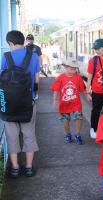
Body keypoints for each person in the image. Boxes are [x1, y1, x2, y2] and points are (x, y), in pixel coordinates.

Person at [1, 30, 40, 177]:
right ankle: (29, 167)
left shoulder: (6, 57)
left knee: (12, 136)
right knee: (29, 134)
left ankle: (15, 168)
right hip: (28, 103)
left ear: (10, 43)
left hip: (9, 104)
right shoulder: (34, 56)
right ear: (23, 41)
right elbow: (37, 79)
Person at [51, 60, 90, 145]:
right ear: (66, 68)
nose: (73, 71)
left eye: (75, 69)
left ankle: (78, 134)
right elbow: (56, 89)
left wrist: (87, 95)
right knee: (66, 120)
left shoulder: (78, 77)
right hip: (64, 103)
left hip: (76, 102)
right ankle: (68, 134)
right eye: (71, 69)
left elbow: (83, 88)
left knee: (79, 117)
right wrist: (55, 100)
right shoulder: (61, 77)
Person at [25, 34, 42, 99]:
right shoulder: (24, 47)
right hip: (27, 66)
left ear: (33, 40)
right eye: (28, 39)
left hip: (35, 66)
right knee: (27, 80)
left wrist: (40, 65)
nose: (29, 40)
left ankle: (36, 93)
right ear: (26, 40)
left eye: (31, 39)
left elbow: (40, 57)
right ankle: (28, 94)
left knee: (36, 81)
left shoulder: (37, 48)